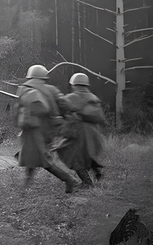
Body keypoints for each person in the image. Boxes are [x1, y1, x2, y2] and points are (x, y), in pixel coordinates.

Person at [16, 64, 79, 193]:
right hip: (49, 129)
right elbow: (65, 104)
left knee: (43, 158)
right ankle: (27, 182)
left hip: (33, 129)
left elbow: (19, 109)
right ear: (44, 76)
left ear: (30, 76)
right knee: (31, 153)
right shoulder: (52, 90)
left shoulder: (23, 89)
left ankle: (69, 180)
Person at [55, 73, 106, 186]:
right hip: (93, 132)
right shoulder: (93, 97)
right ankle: (97, 171)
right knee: (87, 155)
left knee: (72, 156)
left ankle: (87, 182)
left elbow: (60, 106)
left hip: (78, 132)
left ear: (74, 85)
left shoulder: (73, 97)